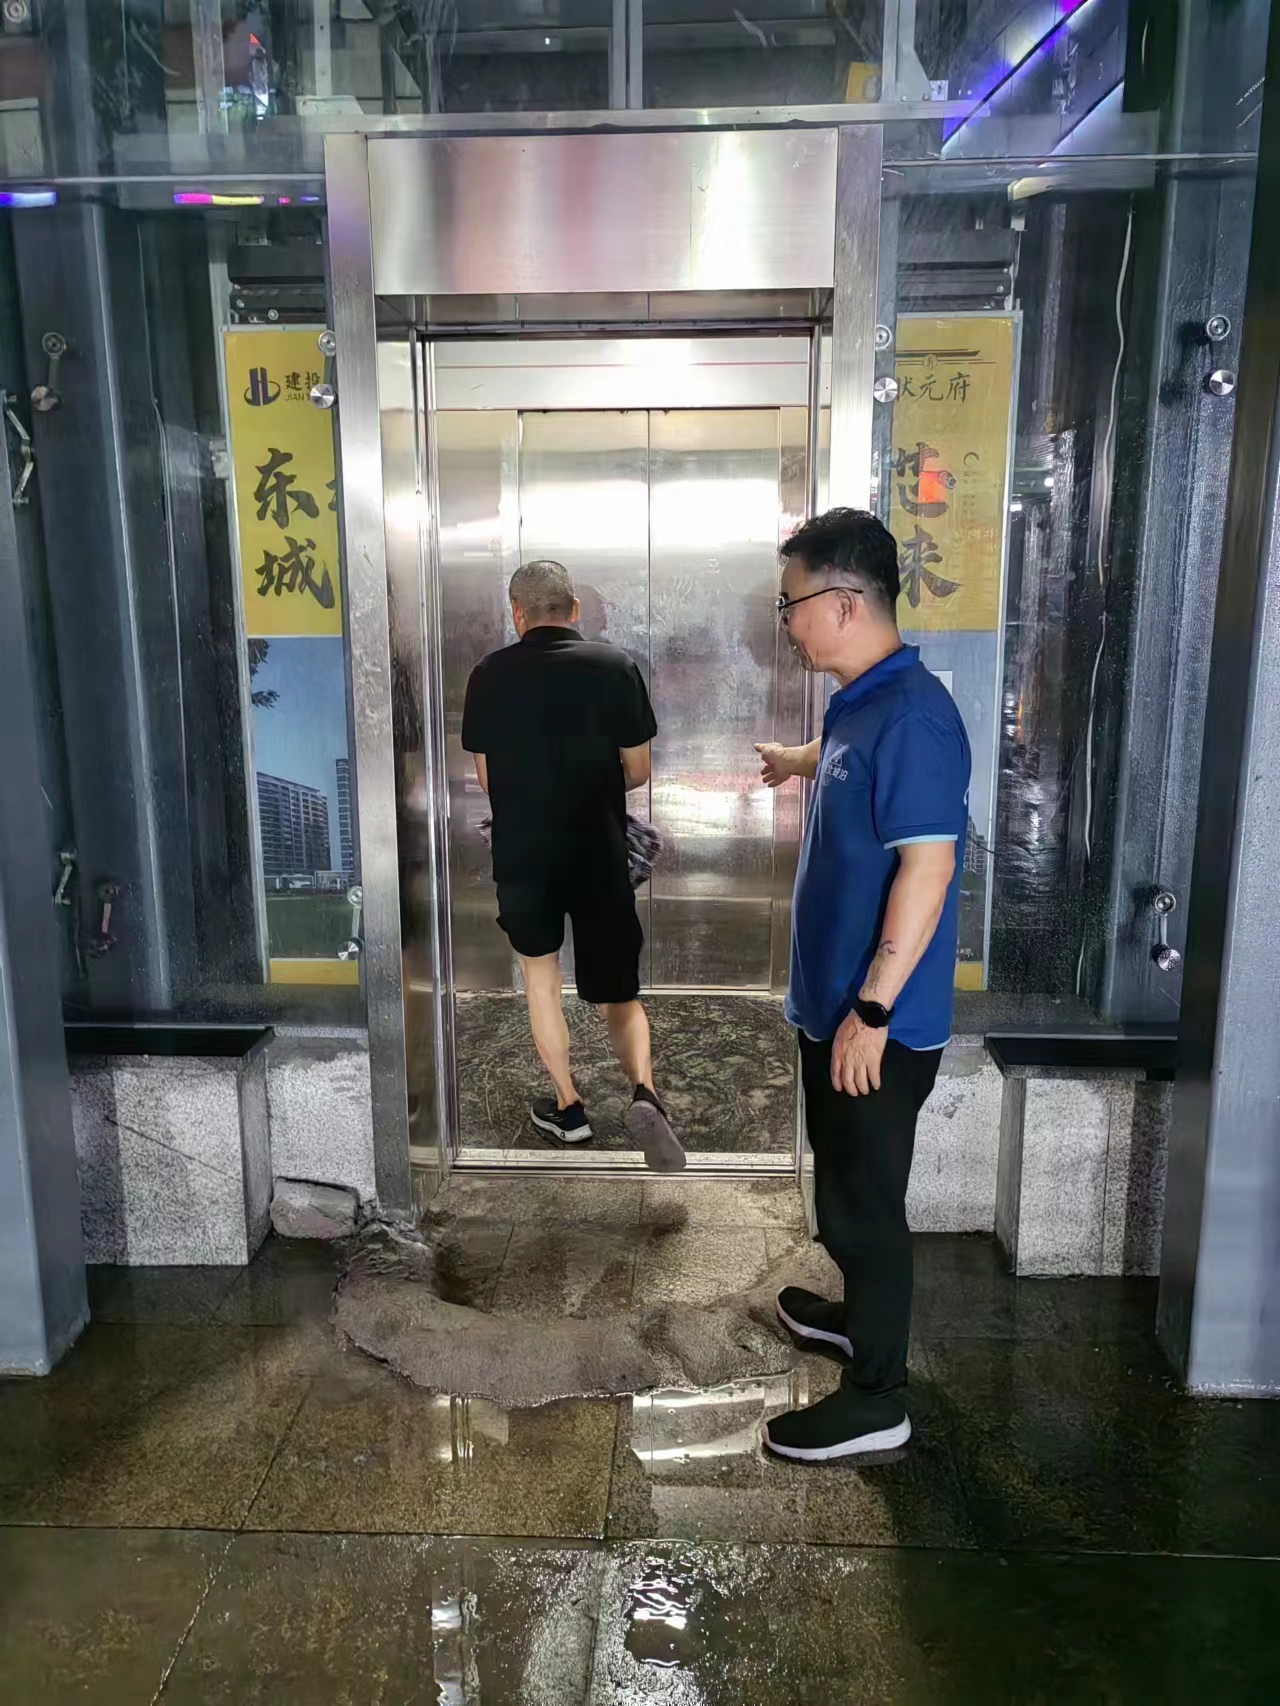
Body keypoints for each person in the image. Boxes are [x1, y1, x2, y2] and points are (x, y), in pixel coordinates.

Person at [755, 507, 970, 1463]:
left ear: (844, 603)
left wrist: (872, 1011)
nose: (786, 622)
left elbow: (928, 869)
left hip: (879, 1022)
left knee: (866, 1206)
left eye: (791, 604)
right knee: (841, 1188)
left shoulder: (915, 716)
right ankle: (859, 1320)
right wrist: (796, 761)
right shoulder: (861, 702)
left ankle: (879, 1396)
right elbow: (849, 767)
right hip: (834, 1007)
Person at [462, 559, 686, 1172]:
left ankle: (569, 1109)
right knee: (618, 990)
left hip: (524, 856)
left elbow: (490, 780)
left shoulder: (488, 674)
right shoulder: (615, 666)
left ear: (517, 614)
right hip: (599, 851)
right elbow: (638, 770)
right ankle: (645, 1093)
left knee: (541, 979)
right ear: (574, 610)